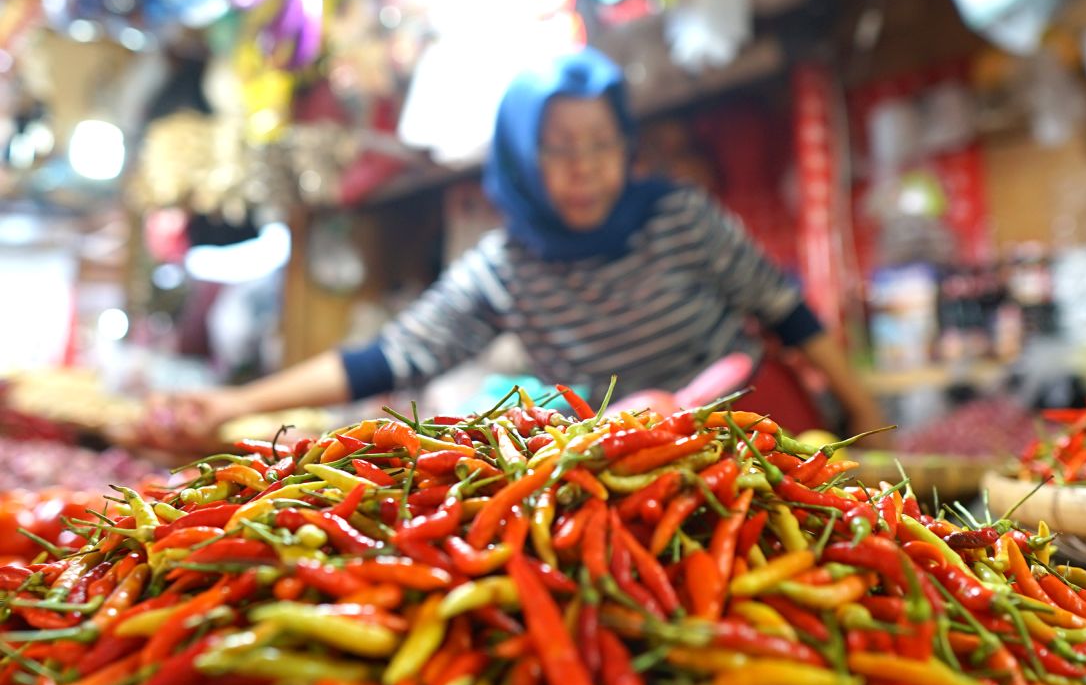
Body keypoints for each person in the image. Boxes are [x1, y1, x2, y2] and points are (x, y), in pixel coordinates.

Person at [137, 47, 883, 451]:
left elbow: (788, 315)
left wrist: (866, 418)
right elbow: (391, 357)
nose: (585, 168)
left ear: (627, 148)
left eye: (601, 144)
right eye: (558, 149)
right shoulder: (506, 271)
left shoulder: (677, 216)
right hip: (632, 462)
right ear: (523, 160)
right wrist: (236, 401)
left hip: (757, 430)